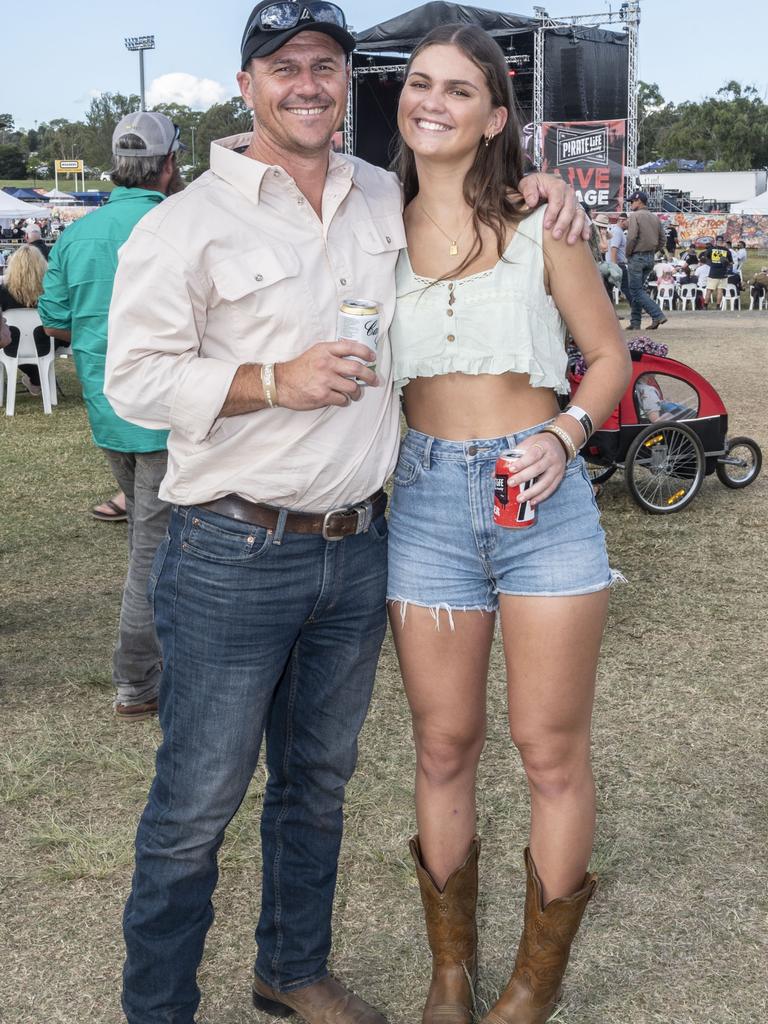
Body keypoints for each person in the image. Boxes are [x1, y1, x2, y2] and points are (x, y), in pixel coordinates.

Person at [102, 4, 591, 1021]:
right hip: (231, 546)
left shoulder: (382, 194)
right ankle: (157, 1007)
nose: (309, 84)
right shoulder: (183, 222)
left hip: (364, 543)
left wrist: (547, 187)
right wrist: (271, 380)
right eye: (285, 67)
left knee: (317, 784)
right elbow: (135, 385)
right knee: (196, 806)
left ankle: (293, 968)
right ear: (247, 85)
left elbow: (483, 204)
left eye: (326, 64)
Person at [387, 24, 631, 1024]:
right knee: (443, 744)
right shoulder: (371, 225)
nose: (431, 101)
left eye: (458, 89)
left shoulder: (545, 226)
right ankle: (451, 974)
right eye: (416, 84)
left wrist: (569, 434)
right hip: (428, 500)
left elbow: (609, 358)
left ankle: (533, 983)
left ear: (495, 116)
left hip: (541, 501)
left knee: (548, 749)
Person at [38, 111, 184, 722]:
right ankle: (136, 681)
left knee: (150, 542)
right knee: (153, 552)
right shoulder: (178, 222)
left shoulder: (79, 233)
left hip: (109, 413)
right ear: (171, 166)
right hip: (167, 415)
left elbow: (53, 321)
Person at [0, 244, 61, 395]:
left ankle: (36, 379)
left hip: (10, 346)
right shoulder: (51, 291)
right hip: (48, 344)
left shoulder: (3, 292)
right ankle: (37, 379)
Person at [625, 189, 667, 330]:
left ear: (639, 201)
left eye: (632, 201)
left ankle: (657, 314)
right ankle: (635, 322)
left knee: (635, 290)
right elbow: (663, 239)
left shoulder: (635, 216)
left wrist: (628, 253)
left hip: (637, 256)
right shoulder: (655, 217)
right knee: (639, 290)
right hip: (650, 257)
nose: (630, 204)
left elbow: (631, 237)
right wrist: (654, 250)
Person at [607, 211, 630, 303]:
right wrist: (614, 266)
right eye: (628, 221)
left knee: (609, 289)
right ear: (622, 220)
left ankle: (610, 311)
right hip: (617, 265)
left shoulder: (618, 231)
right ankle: (637, 308)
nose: (629, 224)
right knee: (626, 287)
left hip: (615, 264)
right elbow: (614, 248)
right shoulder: (617, 231)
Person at [704, 234, 731, 308]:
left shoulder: (711, 249)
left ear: (716, 241)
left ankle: (705, 306)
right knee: (720, 291)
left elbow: (705, 257)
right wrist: (726, 262)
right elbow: (730, 263)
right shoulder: (726, 250)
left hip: (713, 272)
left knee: (709, 290)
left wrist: (712, 262)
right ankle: (718, 306)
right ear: (722, 242)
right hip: (723, 273)